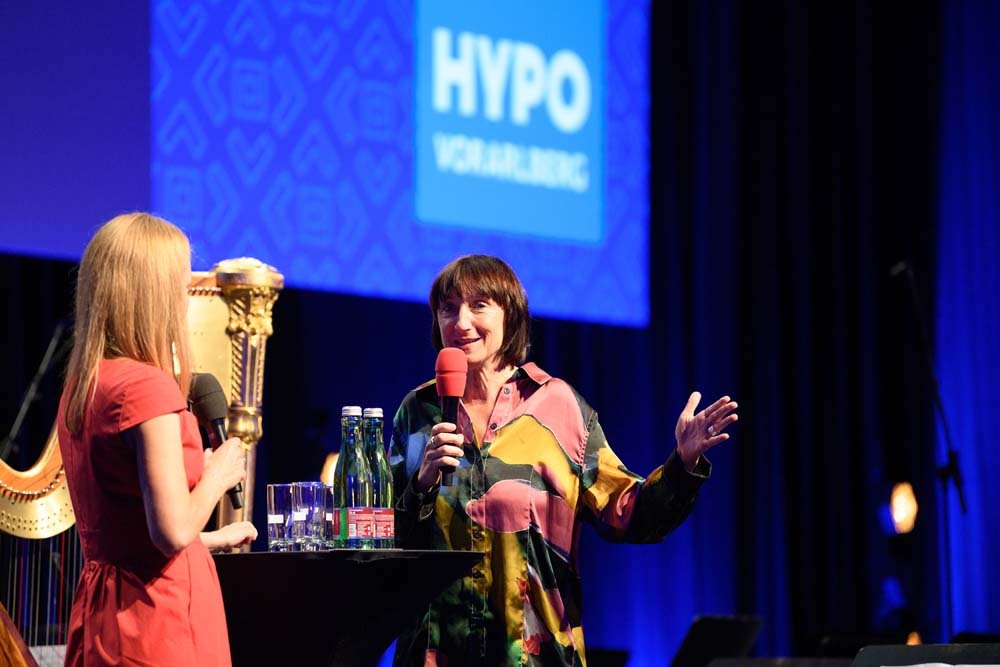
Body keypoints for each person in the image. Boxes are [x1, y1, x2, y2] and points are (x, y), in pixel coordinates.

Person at [390, 255, 738, 666]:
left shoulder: (558, 406)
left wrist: (683, 462)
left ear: (510, 315)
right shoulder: (418, 412)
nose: (461, 322)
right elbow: (384, 542)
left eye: (479, 305)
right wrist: (421, 486)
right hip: (434, 655)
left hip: (535, 657)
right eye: (448, 308)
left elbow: (629, 514)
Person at [57, 213, 257, 666]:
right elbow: (171, 532)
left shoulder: (85, 384)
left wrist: (212, 540)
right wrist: (218, 474)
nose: (185, 298)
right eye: (180, 286)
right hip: (157, 619)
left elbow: (131, 533)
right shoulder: (146, 388)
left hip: (107, 610)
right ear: (154, 295)